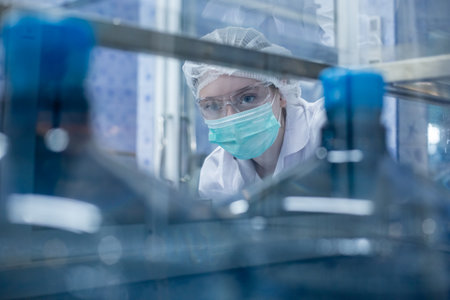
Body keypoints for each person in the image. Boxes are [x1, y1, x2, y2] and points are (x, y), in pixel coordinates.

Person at [183, 27, 326, 200]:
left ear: (281, 92)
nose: (231, 118)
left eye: (248, 98)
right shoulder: (216, 172)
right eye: (213, 106)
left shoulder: (327, 129)